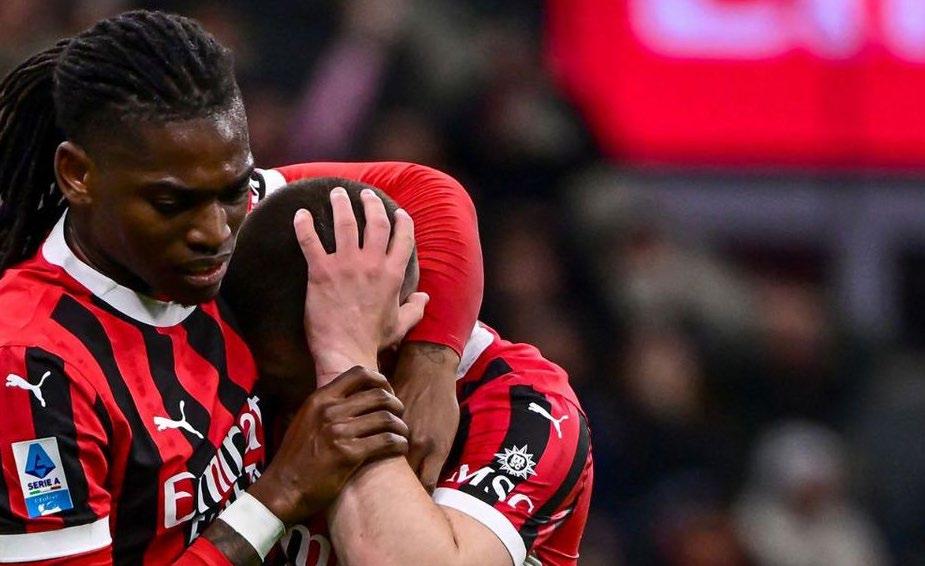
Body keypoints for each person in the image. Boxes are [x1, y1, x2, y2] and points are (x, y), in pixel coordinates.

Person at [0, 10, 481, 564]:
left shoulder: (234, 210)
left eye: (232, 190)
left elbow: (429, 193)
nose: (214, 233)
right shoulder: (31, 366)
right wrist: (281, 494)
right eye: (171, 203)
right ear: (78, 175)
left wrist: (430, 365)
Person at [221, 178, 594, 566]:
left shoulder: (528, 408)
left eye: (294, 387)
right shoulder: (245, 348)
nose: (293, 416)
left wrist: (346, 362)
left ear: (392, 338)